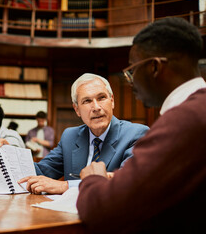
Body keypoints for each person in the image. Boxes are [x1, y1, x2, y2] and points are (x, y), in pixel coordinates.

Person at [76, 17, 206, 234]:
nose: (131, 82)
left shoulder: (184, 121)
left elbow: (104, 212)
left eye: (132, 71)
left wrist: (92, 179)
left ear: (154, 67)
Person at [0, 73, 149, 194]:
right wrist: (9, 153)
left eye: (101, 98)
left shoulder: (136, 134)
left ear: (112, 100)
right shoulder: (70, 136)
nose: (96, 107)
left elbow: (128, 182)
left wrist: (65, 186)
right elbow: (40, 171)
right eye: (87, 101)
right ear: (77, 109)